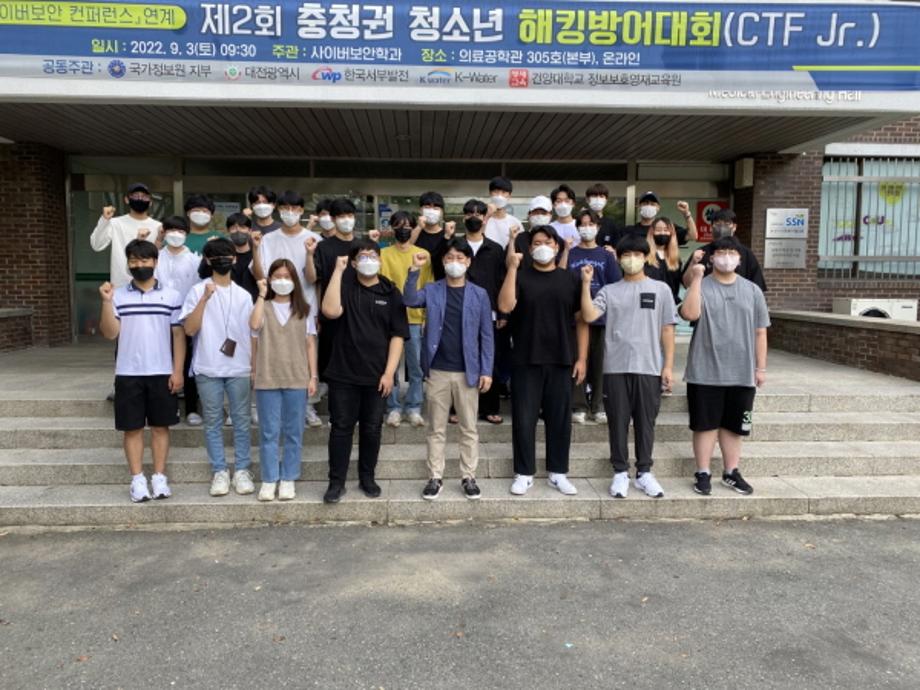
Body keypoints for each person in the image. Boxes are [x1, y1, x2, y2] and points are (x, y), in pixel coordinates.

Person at [579, 234, 677, 499]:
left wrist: (668, 366)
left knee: (646, 423)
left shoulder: (661, 290)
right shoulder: (609, 291)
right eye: (626, 255)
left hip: (649, 367)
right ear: (619, 259)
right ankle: (620, 472)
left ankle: (644, 472)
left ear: (646, 257)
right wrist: (586, 284)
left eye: (637, 254)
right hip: (615, 368)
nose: (631, 259)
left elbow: (667, 329)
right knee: (618, 422)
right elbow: (588, 315)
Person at [498, 225, 588, 497]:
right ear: (529, 248)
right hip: (526, 358)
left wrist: (582, 358)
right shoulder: (520, 276)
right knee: (524, 419)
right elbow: (504, 306)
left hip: (561, 358)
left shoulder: (569, 279)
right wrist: (512, 268)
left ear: (557, 247)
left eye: (547, 242)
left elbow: (581, 320)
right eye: (536, 243)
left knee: (560, 419)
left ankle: (558, 472)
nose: (542, 247)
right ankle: (524, 472)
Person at [403, 239, 493, 500]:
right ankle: (435, 477)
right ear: (443, 262)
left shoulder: (479, 294)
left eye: (460, 258)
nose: (455, 263)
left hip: (468, 372)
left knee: (469, 428)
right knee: (436, 428)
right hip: (438, 370)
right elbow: (410, 299)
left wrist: (486, 370)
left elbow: (487, 335)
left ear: (468, 262)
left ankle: (469, 476)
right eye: (450, 258)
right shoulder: (432, 290)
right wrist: (414, 270)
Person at [680, 236, 770, 497]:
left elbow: (760, 332)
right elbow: (689, 314)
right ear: (712, 258)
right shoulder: (702, 285)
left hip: (741, 371)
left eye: (732, 252)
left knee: (734, 426)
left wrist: (761, 368)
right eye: (721, 252)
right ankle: (703, 472)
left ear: (740, 259)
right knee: (704, 425)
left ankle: (731, 471)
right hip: (704, 370)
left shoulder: (752, 291)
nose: (726, 257)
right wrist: (696, 278)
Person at [321, 241, 408, 504]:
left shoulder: (390, 292)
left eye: (373, 255)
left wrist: (389, 373)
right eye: (362, 256)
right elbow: (330, 311)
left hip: (376, 375)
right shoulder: (344, 287)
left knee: (372, 429)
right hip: (343, 372)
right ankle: (336, 482)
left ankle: (367, 478)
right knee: (341, 428)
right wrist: (338, 271)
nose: (368, 260)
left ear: (380, 260)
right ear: (354, 262)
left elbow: (397, 335)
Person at [98, 239, 184, 502]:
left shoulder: (171, 295)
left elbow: (178, 335)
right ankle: (137, 480)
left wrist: (177, 371)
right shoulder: (118, 295)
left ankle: (159, 477)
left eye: (144, 260)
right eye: (133, 260)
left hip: (162, 371)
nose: (139, 265)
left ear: (155, 262)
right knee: (132, 428)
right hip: (128, 372)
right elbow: (110, 333)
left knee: (160, 427)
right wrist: (106, 302)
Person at [180, 238, 255, 498]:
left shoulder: (244, 295)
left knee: (242, 421)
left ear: (235, 259)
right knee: (212, 422)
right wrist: (204, 298)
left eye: (227, 255)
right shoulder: (196, 291)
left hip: (239, 367)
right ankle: (219, 471)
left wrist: (254, 366)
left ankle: (242, 469)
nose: (222, 260)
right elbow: (189, 329)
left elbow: (252, 333)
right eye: (216, 256)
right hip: (207, 367)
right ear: (207, 261)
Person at [250, 259, 318, 501]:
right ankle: (269, 479)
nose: (282, 281)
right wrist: (261, 294)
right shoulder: (263, 306)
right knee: (268, 432)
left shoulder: (304, 309)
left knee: (293, 432)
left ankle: (288, 478)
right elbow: (254, 326)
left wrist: (313, 375)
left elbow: (310, 344)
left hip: (297, 377)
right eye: (277, 276)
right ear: (269, 279)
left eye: (287, 277)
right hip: (267, 376)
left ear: (294, 281)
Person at [254, 189, 323, 426]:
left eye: (294, 208)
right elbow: (260, 274)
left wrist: (309, 254)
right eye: (285, 208)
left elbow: (314, 279)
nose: (290, 212)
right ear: (278, 210)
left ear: (302, 211)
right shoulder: (268, 239)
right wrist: (255, 249)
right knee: (277, 354)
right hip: (274, 306)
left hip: (305, 307)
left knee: (306, 355)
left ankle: (308, 406)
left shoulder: (314, 239)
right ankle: (275, 407)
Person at [566, 208, 622, 424]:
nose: (586, 228)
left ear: (598, 227)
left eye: (591, 224)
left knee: (600, 363)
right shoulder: (571, 254)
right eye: (583, 224)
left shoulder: (606, 255)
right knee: (578, 360)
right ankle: (578, 405)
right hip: (575, 317)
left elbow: (615, 286)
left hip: (601, 317)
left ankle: (598, 405)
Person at [380, 212, 433, 428]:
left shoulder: (423, 254)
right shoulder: (383, 254)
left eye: (408, 226)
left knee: (416, 366)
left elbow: (429, 285)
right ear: (392, 228)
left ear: (413, 228)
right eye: (399, 225)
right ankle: (392, 407)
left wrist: (426, 316)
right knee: (390, 365)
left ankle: (414, 406)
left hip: (414, 317)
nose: (403, 230)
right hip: (389, 317)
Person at [462, 199, 508, 424]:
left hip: (489, 312)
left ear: (484, 218)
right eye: (470, 213)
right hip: (458, 311)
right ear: (464, 217)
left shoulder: (495, 249)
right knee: (461, 358)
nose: (474, 217)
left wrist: (503, 313)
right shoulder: (455, 246)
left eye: (479, 214)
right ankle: (459, 407)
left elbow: (501, 282)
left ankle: (489, 407)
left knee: (490, 359)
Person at [154, 216, 202, 425]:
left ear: (187, 234)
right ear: (163, 232)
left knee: (188, 364)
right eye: (171, 230)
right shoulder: (156, 257)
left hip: (185, 320)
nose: (176, 234)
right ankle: (168, 407)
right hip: (159, 319)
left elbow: (198, 290)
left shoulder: (194, 259)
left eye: (180, 231)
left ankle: (191, 408)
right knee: (164, 364)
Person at [90, 182, 163, 289]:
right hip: (120, 286)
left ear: (150, 202)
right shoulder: (115, 223)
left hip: (150, 287)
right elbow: (97, 245)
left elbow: (161, 258)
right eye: (135, 196)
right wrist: (104, 220)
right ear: (127, 199)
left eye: (144, 196)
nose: (140, 199)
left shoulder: (158, 227)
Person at [681, 208, 767, 292]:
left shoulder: (746, 254)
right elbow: (686, 284)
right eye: (717, 223)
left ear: (734, 227)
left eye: (727, 223)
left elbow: (757, 287)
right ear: (711, 227)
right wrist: (693, 262)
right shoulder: (701, 253)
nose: (722, 227)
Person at [197, 212, 260, 303]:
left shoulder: (257, 253)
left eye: (242, 227)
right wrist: (211, 250)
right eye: (233, 228)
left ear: (250, 230)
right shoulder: (224, 256)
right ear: (228, 231)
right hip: (226, 303)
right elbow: (203, 274)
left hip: (254, 303)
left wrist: (255, 248)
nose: (238, 231)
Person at [625, 191, 697, 246]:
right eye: (645, 203)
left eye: (653, 204)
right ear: (639, 206)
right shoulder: (628, 231)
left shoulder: (668, 228)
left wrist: (686, 213)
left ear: (658, 208)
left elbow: (692, 236)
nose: (649, 206)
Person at [412, 191, 455, 280]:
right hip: (418, 281)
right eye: (427, 207)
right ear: (420, 210)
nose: (431, 211)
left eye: (436, 208)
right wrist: (419, 227)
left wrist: (447, 235)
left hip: (441, 281)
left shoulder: (448, 234)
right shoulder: (415, 232)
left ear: (442, 212)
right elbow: (407, 246)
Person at [645, 216, 683, 305]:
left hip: (670, 303)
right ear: (652, 232)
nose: (662, 233)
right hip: (649, 302)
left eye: (666, 230)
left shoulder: (675, 257)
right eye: (658, 230)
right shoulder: (644, 255)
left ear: (671, 233)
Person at [483, 176, 522, 249]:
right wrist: (486, 216)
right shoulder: (482, 220)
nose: (499, 196)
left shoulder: (515, 223)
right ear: (490, 193)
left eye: (504, 192)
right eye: (496, 191)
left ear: (509, 196)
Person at [584, 183, 623, 249]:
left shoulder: (611, 224)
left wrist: (613, 250)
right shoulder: (580, 222)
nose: (598, 199)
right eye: (594, 196)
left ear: (606, 200)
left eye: (601, 196)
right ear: (587, 199)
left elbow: (618, 247)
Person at [549, 184, 582, 249]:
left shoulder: (581, 226)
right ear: (553, 205)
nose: (563, 204)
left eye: (567, 201)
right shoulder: (550, 228)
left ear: (573, 203)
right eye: (558, 201)